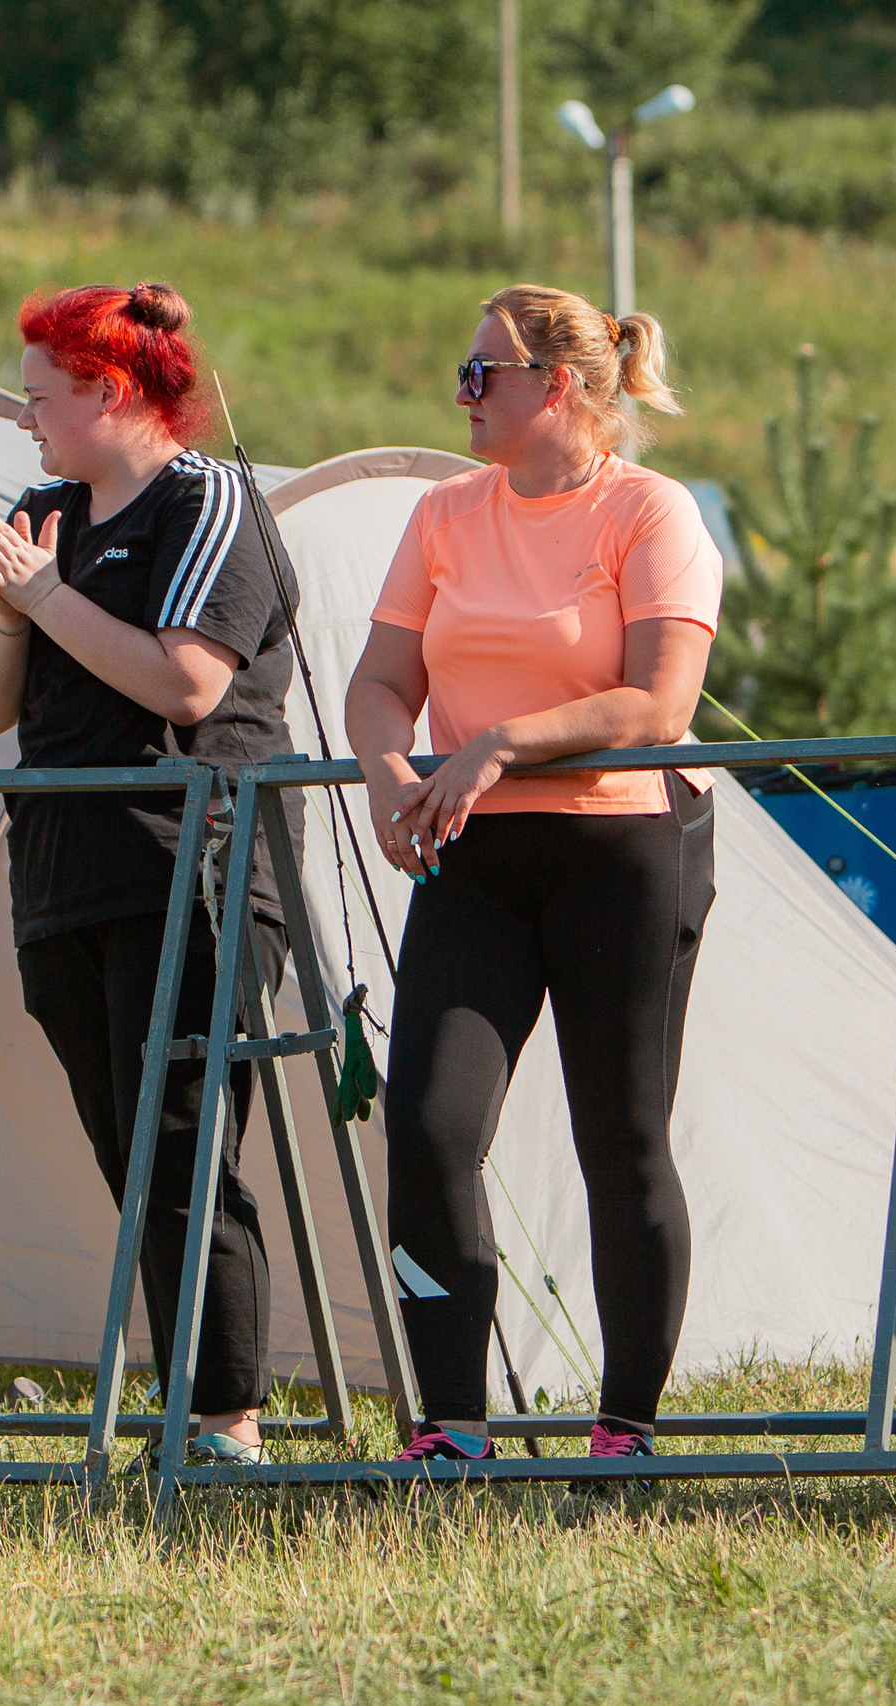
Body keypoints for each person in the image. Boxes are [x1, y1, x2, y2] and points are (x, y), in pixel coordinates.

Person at [345, 286, 719, 1467]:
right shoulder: (447, 512)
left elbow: (658, 704)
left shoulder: (649, 511)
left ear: (552, 385)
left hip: (621, 845)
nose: (460, 393)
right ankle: (451, 1424)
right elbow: (376, 682)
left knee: (623, 1136)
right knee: (427, 1124)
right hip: (474, 852)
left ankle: (627, 1428)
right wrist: (387, 770)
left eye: (479, 374)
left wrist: (496, 741)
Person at [0, 281, 305, 1468]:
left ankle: (224, 1419)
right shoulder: (41, 510)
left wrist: (44, 594)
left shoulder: (207, 500)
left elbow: (188, 684)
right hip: (62, 870)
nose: (26, 423)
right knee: (124, 1145)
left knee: (181, 1136)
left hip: (188, 865)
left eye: (38, 399)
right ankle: (190, 1402)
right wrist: (11, 612)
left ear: (108, 391)